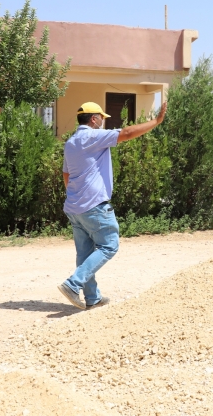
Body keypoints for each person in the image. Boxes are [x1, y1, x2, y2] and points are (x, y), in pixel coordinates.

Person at [57, 101, 167, 310]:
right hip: (94, 205)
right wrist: (156, 121)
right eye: (102, 119)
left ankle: (92, 298)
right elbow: (126, 133)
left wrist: (76, 195)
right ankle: (73, 284)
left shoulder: (70, 143)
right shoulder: (93, 137)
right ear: (94, 119)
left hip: (74, 207)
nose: (102, 123)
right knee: (109, 245)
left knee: (85, 253)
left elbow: (66, 174)